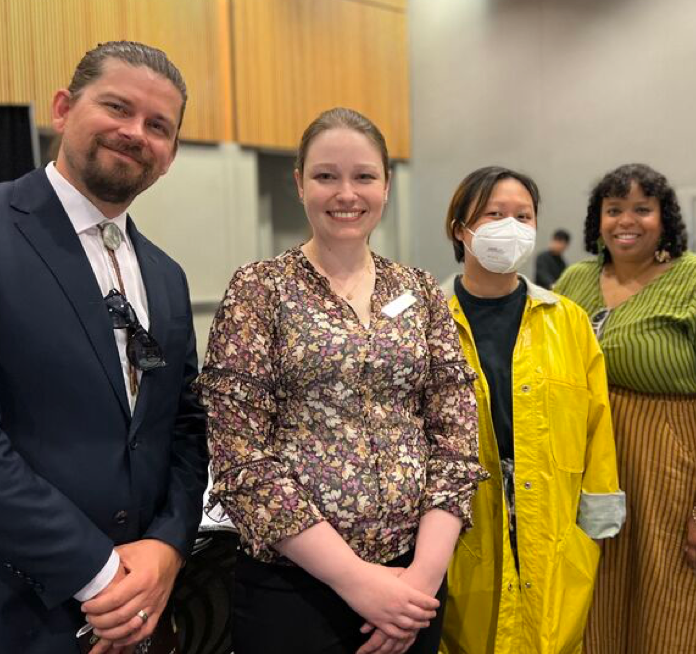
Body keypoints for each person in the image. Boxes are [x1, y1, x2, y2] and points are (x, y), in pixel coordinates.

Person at [195, 107, 486, 654]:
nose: (345, 193)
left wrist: (420, 581)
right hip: (295, 588)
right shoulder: (260, 290)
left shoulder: (420, 290)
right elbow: (241, 457)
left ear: (387, 184)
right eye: (326, 175)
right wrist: (358, 581)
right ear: (299, 181)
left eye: (364, 176)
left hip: (412, 585)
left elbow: (455, 439)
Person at [0, 41, 209, 653]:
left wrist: (168, 548)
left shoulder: (166, 276)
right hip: (4, 606)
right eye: (117, 107)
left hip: (139, 613)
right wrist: (100, 573)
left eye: (158, 126)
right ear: (63, 108)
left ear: (169, 156)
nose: (135, 133)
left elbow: (183, 427)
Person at [553, 163, 696, 653]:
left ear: (664, 218)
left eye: (641, 209)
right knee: (605, 603)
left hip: (679, 470)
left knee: (682, 607)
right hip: (598, 473)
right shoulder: (573, 283)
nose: (626, 221)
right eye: (614, 210)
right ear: (597, 219)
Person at [439, 166, 624, 654]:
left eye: (523, 215)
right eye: (494, 214)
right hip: (460, 520)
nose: (511, 226)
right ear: (461, 228)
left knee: (549, 636)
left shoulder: (567, 320)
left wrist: (597, 522)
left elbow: (596, 422)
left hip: (550, 518)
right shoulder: (427, 319)